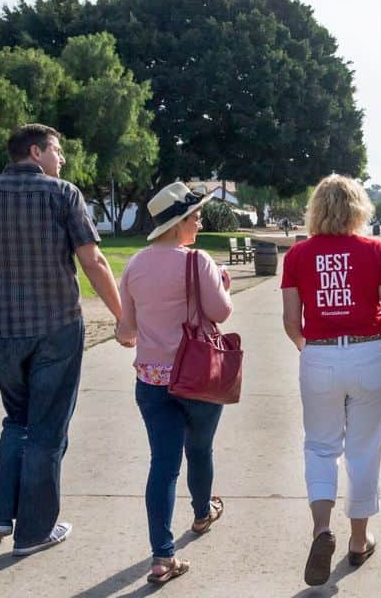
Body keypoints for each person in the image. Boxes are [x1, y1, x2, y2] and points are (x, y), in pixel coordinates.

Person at [0, 123, 123, 556]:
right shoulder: (62, 194)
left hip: (1, 332)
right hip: (56, 329)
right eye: (57, 151)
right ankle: (35, 531)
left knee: (17, 421)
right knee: (46, 431)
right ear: (36, 152)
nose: (62, 160)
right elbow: (92, 259)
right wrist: (122, 317)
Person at [281, 174, 381, 587]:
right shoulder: (377, 250)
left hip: (318, 352)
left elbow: (290, 321)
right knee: (364, 448)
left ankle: (321, 528)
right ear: (358, 209)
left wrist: (313, 348)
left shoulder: (297, 256)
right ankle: (357, 538)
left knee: (320, 446)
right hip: (369, 350)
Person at [115, 182, 234, 584]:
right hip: (197, 377)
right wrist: (223, 284)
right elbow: (220, 311)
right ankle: (202, 513)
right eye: (196, 217)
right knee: (199, 449)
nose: (200, 223)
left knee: (162, 465)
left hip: (150, 380)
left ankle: (162, 557)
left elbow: (125, 331)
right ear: (180, 222)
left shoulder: (133, 265)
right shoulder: (198, 262)